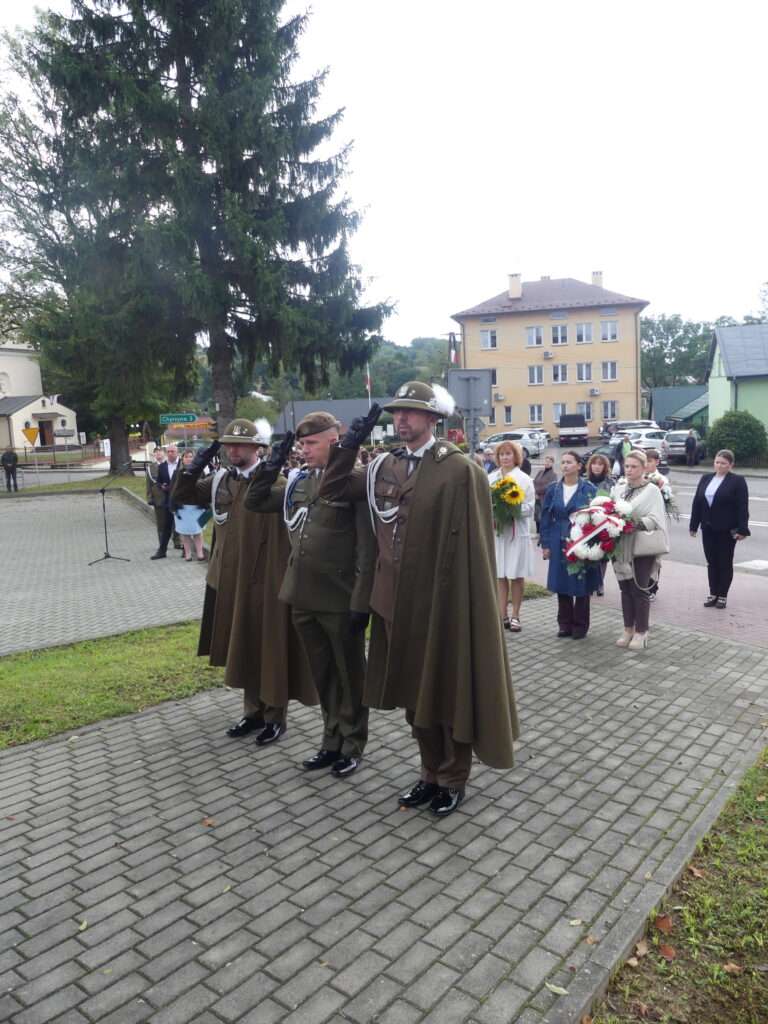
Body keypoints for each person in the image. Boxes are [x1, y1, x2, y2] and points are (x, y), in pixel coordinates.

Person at [319, 381, 519, 817]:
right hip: (393, 601)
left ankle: (452, 777)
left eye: (410, 411)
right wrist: (348, 445)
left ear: (432, 418)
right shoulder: (383, 466)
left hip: (441, 603)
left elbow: (477, 548)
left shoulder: (458, 469)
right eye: (397, 412)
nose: (401, 419)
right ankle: (429, 772)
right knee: (413, 692)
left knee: (446, 690)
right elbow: (331, 490)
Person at [246, 412, 375, 777]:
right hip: (301, 594)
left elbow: (366, 548)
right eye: (301, 444)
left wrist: (361, 600)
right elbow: (255, 500)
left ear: (334, 442)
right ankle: (330, 740)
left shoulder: (355, 481)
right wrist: (272, 462)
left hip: (339, 597)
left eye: (311, 443)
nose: (303, 450)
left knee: (350, 676)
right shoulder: (299, 481)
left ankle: (352, 744)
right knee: (323, 675)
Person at [172, 419, 316, 743]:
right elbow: (181, 495)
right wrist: (193, 467)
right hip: (231, 578)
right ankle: (253, 712)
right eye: (228, 445)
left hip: (266, 580)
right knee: (244, 646)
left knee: (270, 648)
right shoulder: (221, 480)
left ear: (258, 449)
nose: (233, 450)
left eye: (241, 445)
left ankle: (274, 716)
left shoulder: (277, 482)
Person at [611, 450, 668, 650]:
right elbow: (610, 511)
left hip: (642, 546)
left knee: (639, 588)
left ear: (644, 468)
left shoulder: (651, 491)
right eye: (627, 466)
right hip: (620, 544)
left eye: (634, 466)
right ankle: (628, 628)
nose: (629, 470)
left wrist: (634, 523)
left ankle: (642, 631)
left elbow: (656, 519)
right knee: (625, 589)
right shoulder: (619, 488)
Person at [540, 451, 600, 638]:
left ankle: (580, 625)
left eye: (569, 462)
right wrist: (546, 544)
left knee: (581, 582)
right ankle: (564, 624)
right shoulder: (553, 489)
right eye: (563, 462)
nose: (565, 465)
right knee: (562, 582)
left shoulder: (589, 489)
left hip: (581, 540)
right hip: (558, 539)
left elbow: (598, 517)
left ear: (579, 466)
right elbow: (545, 517)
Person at [689, 449, 750, 609]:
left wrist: (742, 529)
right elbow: (697, 502)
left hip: (726, 529)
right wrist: (693, 525)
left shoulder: (737, 481)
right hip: (708, 528)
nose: (719, 465)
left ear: (731, 465)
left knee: (724, 562)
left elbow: (742, 507)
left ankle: (722, 595)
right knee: (711, 562)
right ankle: (713, 593)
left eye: (723, 463)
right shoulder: (706, 478)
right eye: (717, 462)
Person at [488, 441, 535, 633]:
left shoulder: (524, 479)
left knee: (516, 575)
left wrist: (511, 509)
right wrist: (494, 511)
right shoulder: (491, 478)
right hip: (498, 534)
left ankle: (516, 615)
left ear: (516, 457)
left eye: (508, 454)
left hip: (517, 533)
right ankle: (502, 615)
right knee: (500, 575)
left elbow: (530, 507)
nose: (505, 457)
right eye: (501, 454)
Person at [585, 452, 614, 596]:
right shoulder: (584, 481)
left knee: (602, 555)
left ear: (605, 467)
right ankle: (590, 582)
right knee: (588, 553)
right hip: (587, 523)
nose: (597, 467)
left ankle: (600, 583)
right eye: (594, 464)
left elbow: (614, 502)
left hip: (604, 523)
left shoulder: (611, 483)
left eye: (600, 464)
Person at [173, 450, 208, 561]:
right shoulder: (178, 473)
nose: (189, 459)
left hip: (196, 506)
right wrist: (173, 505)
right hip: (182, 507)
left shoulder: (200, 472)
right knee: (185, 533)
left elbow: (205, 487)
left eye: (191, 456)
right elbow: (173, 490)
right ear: (182, 459)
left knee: (198, 531)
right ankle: (188, 554)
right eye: (186, 457)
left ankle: (200, 554)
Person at [150, 444, 181, 559]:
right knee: (166, 526)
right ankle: (162, 550)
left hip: (181, 499)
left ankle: (185, 549)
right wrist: (161, 486)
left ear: (177, 452)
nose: (170, 454)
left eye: (173, 451)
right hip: (168, 500)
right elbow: (158, 481)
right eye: (168, 452)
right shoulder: (162, 466)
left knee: (182, 525)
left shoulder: (182, 464)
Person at [533, 455, 557, 535]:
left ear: (552, 463)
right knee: (536, 515)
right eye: (546, 461)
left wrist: (538, 492)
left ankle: (543, 533)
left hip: (545, 498)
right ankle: (538, 532)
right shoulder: (540, 472)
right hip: (536, 497)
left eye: (549, 462)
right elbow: (534, 481)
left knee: (543, 516)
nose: (547, 463)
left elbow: (549, 486)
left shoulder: (553, 474)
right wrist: (535, 492)